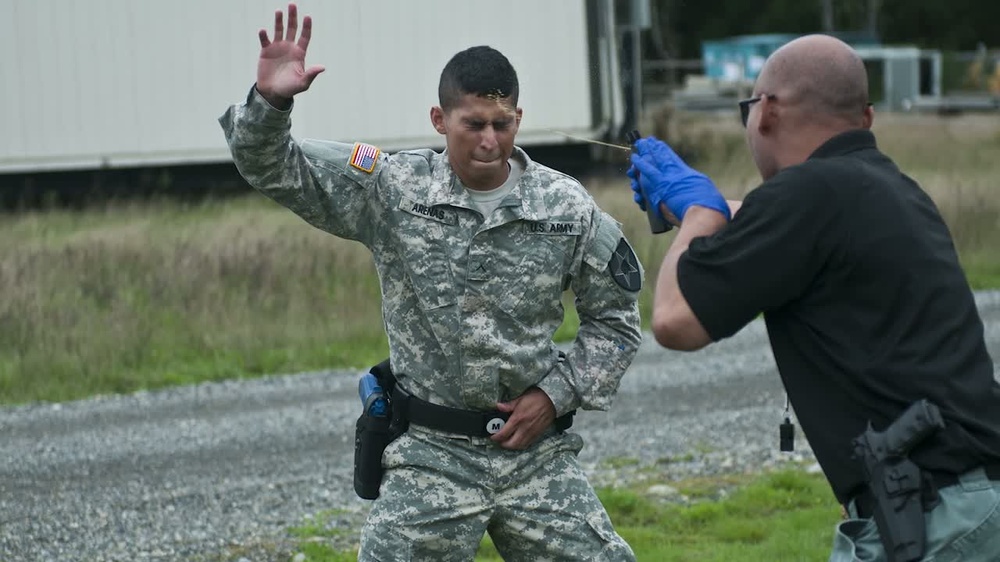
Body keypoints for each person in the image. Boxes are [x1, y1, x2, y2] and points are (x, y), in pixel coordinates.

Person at [219, 4, 642, 561]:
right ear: (440, 120)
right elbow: (275, 168)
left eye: (503, 124)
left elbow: (616, 322)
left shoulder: (566, 206)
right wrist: (273, 102)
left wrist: (555, 394)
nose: (490, 141)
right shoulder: (394, 190)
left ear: (519, 117)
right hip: (431, 458)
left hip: (534, 455)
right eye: (473, 124)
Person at [627, 34, 1000, 561]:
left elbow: (673, 320)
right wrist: (690, 196)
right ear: (865, 118)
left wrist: (697, 215)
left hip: (937, 523)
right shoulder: (888, 188)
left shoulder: (805, 196)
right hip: (973, 503)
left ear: (767, 112)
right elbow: (769, 229)